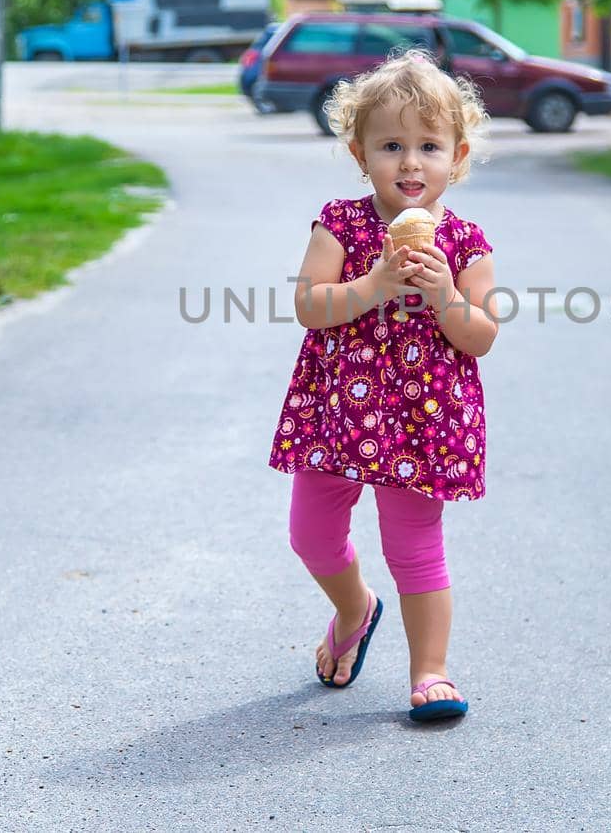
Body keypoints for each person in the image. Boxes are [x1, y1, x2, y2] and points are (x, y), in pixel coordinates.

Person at [268, 50, 499, 723]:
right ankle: (353, 607)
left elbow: (481, 335)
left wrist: (446, 295)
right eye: (391, 145)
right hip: (337, 413)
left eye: (428, 146)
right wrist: (372, 287)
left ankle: (431, 671)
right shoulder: (339, 224)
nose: (410, 163)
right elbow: (311, 305)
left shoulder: (464, 243)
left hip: (423, 420)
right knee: (310, 535)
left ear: (455, 158)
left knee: (417, 546)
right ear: (359, 153)